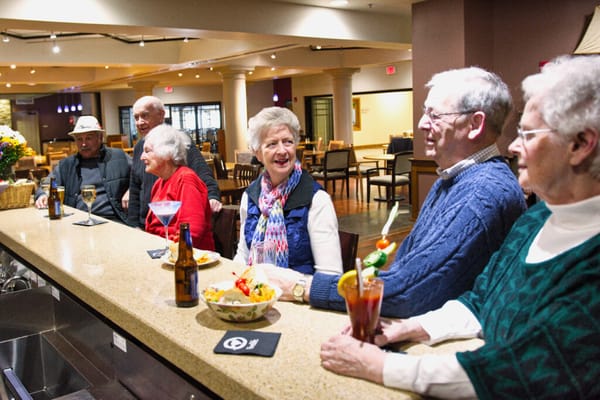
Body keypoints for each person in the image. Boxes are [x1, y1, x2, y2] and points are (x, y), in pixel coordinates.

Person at [320, 55, 600, 399]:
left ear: (580, 144)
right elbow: (481, 299)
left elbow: (523, 371)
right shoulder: (535, 221)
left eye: (527, 133)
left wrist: (379, 366)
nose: (512, 146)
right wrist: (410, 328)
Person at [263, 67, 527, 314]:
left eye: (435, 115)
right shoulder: (453, 180)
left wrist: (302, 287)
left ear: (475, 124)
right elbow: (408, 267)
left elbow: (408, 292)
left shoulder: (481, 194)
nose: (422, 123)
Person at [232, 106, 342, 281]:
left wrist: (288, 287)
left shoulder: (316, 200)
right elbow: (243, 256)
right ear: (257, 153)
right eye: (272, 144)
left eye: (288, 141)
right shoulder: (251, 196)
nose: (282, 151)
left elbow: (330, 276)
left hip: (301, 300)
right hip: (256, 296)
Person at [124, 96, 221, 229]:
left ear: (161, 115)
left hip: (172, 225)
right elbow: (135, 188)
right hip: (146, 224)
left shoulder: (178, 142)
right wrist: (132, 226)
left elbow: (202, 173)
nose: (140, 122)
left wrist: (212, 196)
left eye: (145, 116)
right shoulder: (139, 148)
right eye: (136, 117)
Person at [34, 115, 130, 223]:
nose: (83, 144)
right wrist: (42, 195)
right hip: (78, 222)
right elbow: (47, 184)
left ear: (100, 138)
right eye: (79, 139)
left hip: (115, 221)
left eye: (89, 138)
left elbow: (142, 177)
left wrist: (131, 190)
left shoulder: (119, 157)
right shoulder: (67, 165)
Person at [142, 124, 215, 250]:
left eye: (148, 151)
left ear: (166, 152)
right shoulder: (158, 183)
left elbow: (191, 233)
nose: (142, 157)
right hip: (164, 253)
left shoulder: (186, 179)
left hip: (191, 259)